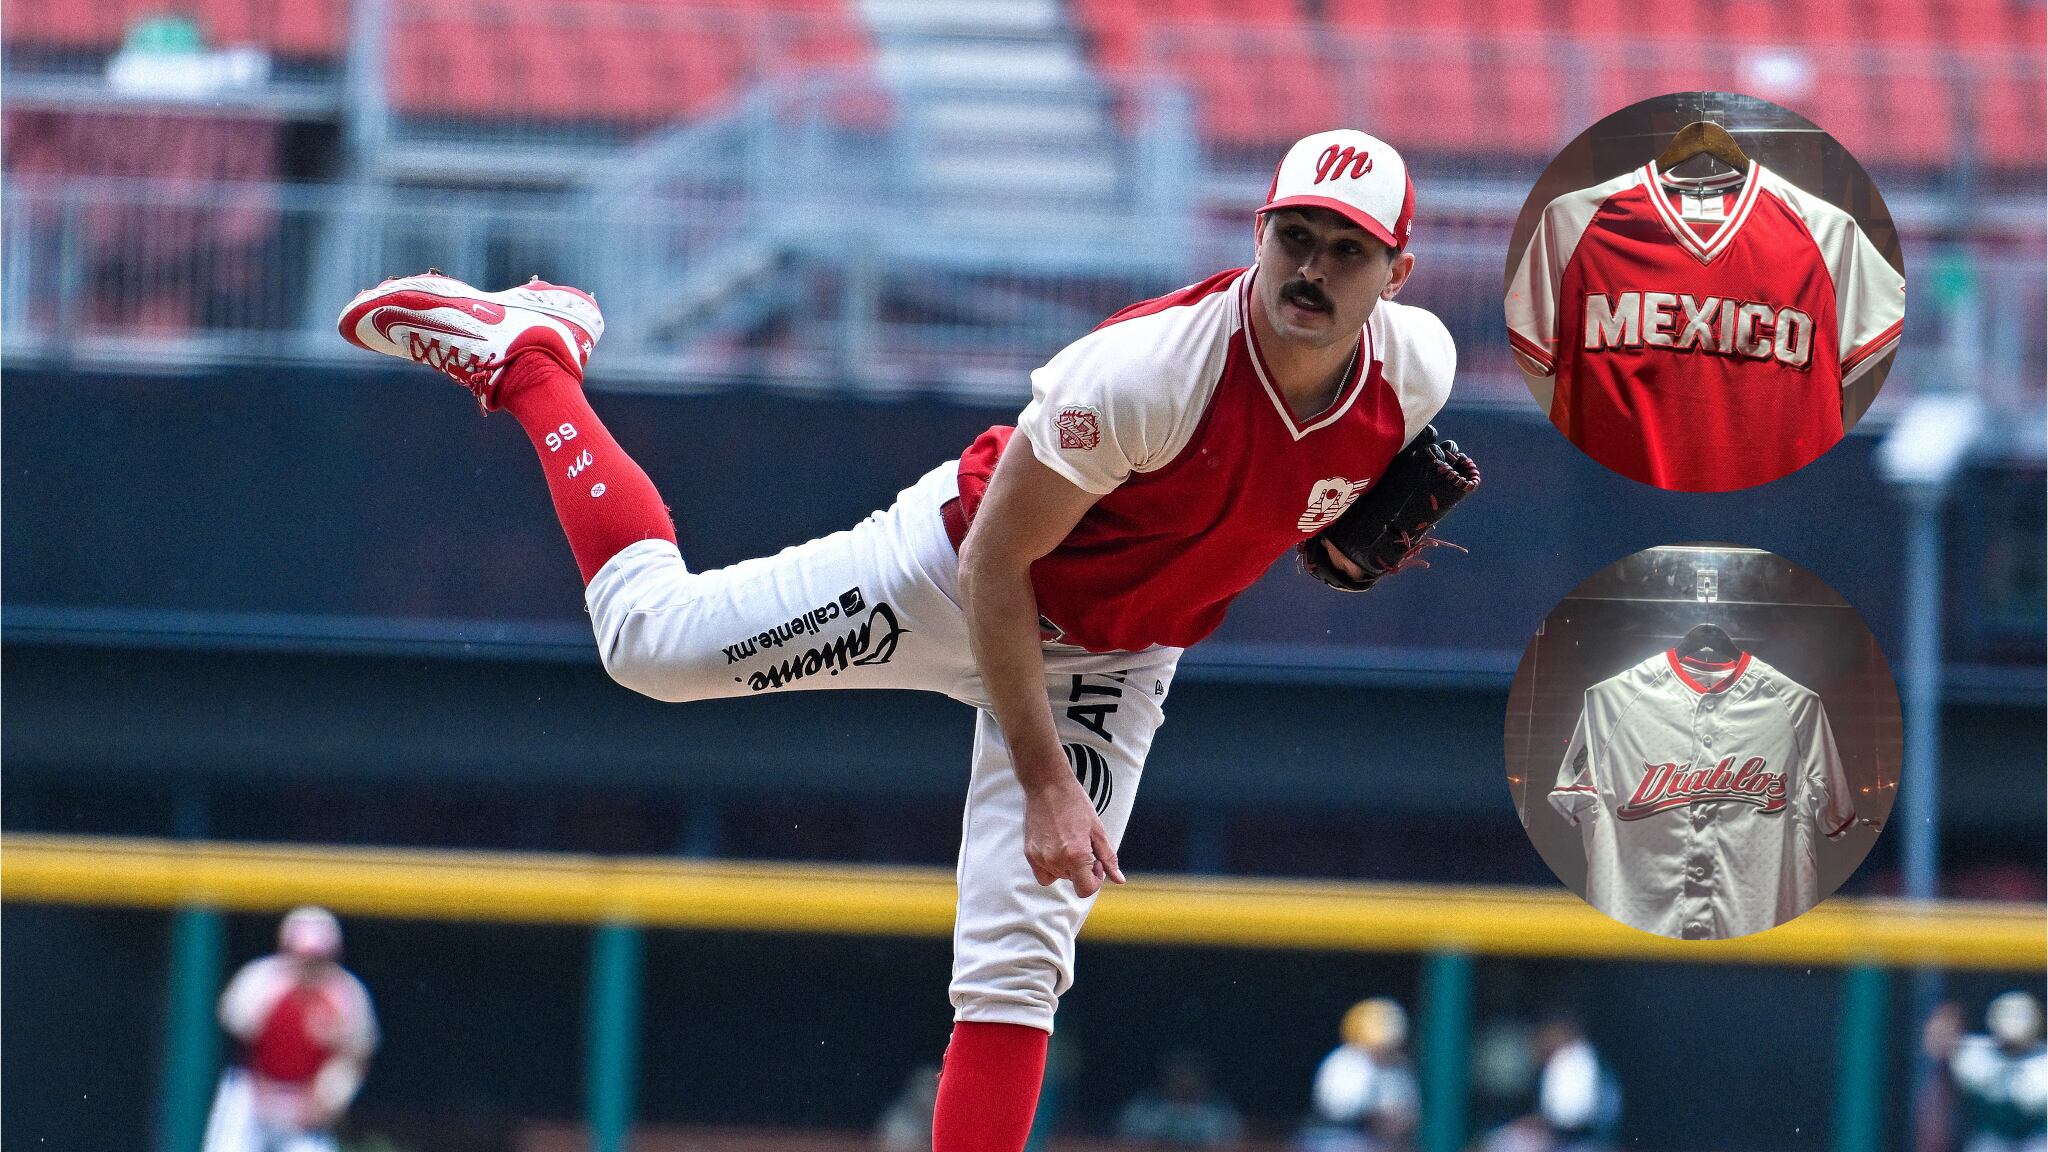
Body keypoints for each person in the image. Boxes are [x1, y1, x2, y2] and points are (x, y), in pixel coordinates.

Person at [338, 128, 1462, 1152]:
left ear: (1394, 276)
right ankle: (532, 358)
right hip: (954, 573)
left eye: (1346, 252)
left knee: (1022, 964)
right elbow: (996, 566)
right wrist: (1043, 783)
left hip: (1117, 650)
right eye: (1294, 236)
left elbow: (1318, 479)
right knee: (645, 642)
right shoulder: (1144, 375)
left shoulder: (1415, 370)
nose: (1311, 268)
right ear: (1257, 234)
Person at [203, 907, 379, 1152]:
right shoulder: (260, 981)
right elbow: (234, 1035)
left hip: (305, 1105)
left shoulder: (347, 994)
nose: (309, 966)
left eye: (318, 958)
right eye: (302, 956)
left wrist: (328, 1100)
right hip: (252, 1096)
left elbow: (356, 1056)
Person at [1925, 992, 2048, 1152]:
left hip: (2034, 1141)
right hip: (1989, 1141)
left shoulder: (2043, 1061)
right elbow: (1937, 1044)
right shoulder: (1971, 1054)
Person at [1299, 997, 1419, 1152]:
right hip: (1337, 1138)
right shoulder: (1346, 1062)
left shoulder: (1399, 1069)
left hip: (1382, 1142)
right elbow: (1339, 1112)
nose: (1384, 1049)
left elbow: (1406, 1115)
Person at [1113, 1050, 1246, 1147]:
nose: (1184, 1079)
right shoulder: (1142, 1109)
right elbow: (1122, 1142)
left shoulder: (1221, 1112)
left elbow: (1235, 1143)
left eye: (1191, 1071)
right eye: (1179, 1072)